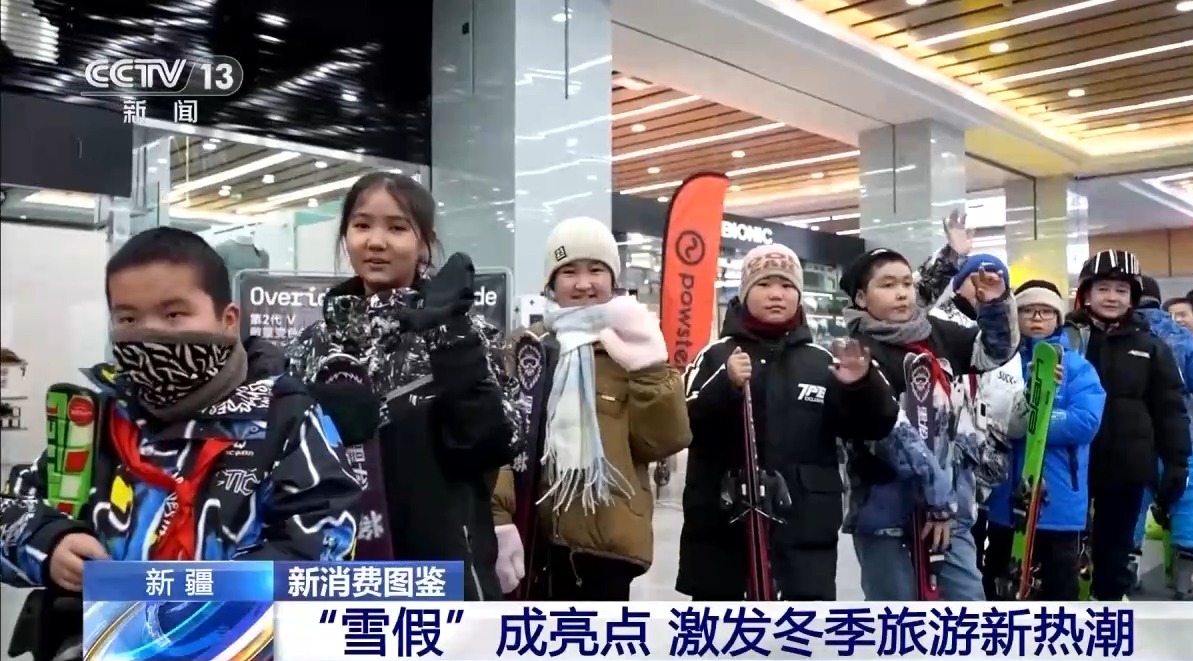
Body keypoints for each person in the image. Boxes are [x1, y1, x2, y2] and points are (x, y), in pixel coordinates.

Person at [1, 227, 362, 660]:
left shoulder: (285, 419)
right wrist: (50, 542)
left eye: (174, 315)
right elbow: (12, 509)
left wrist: (189, 609)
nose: (150, 334)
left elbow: (324, 550)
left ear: (228, 320)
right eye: (128, 319)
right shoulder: (96, 421)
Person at [286, 172, 516, 600]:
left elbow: (492, 446)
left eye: (397, 228)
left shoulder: (467, 333)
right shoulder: (312, 345)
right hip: (339, 573)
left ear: (424, 242)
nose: (376, 242)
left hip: (443, 571)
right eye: (362, 225)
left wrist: (453, 341)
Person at [679, 243, 899, 600]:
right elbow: (682, 425)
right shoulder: (715, 356)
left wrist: (861, 386)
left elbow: (874, 426)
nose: (776, 294)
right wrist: (725, 385)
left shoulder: (822, 361)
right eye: (764, 284)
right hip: (724, 535)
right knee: (724, 629)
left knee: (801, 630)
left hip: (804, 535)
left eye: (786, 285)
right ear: (745, 292)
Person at [492, 216, 691, 601]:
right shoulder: (527, 349)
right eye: (569, 271)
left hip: (606, 546)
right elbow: (502, 440)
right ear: (551, 283)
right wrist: (499, 515)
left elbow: (662, 442)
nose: (584, 283)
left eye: (596, 269)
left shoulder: (632, 344)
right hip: (533, 535)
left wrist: (651, 370)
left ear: (612, 279)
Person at [838, 241, 1019, 601]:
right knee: (897, 617)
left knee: (968, 610)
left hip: (951, 512)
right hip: (886, 513)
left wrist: (994, 306)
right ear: (860, 297)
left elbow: (994, 353)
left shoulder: (934, 332)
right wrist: (939, 500)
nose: (901, 293)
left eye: (907, 283)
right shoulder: (856, 354)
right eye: (887, 285)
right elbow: (891, 435)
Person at [1065, 250, 1190, 601]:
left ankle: (1108, 604)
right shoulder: (1068, 339)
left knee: (1116, 546)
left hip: (1127, 464)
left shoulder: (1150, 346)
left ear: (1132, 297)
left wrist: (1177, 463)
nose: (1112, 297)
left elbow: (1170, 409)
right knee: (1065, 545)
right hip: (1071, 463)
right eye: (1103, 288)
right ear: (1086, 293)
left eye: (1121, 290)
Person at [913, 215, 1025, 577]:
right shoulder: (931, 323)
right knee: (933, 574)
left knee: (972, 570)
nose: (982, 283)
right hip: (936, 471)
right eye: (974, 276)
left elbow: (1006, 402)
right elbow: (914, 298)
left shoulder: (1002, 340)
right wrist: (951, 256)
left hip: (981, 471)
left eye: (994, 279)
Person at [983, 280, 1103, 600]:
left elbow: (1085, 422)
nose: (1037, 318)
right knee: (1000, 577)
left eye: (1046, 312)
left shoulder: (1077, 367)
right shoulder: (1000, 364)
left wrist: (1036, 421)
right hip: (1005, 496)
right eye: (1027, 311)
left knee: (1058, 583)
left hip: (1060, 497)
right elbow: (990, 416)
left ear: (1058, 318)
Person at [1129, 276, 1193, 600]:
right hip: (1178, 431)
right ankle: (1189, 577)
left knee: (1131, 500)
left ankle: (1127, 569)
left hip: (1130, 433)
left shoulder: (1117, 333)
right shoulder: (1179, 334)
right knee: (1188, 498)